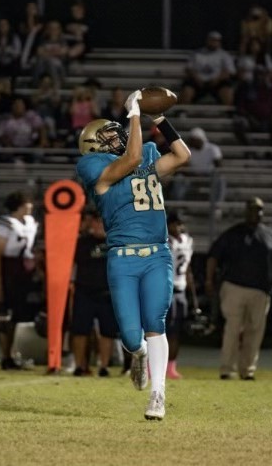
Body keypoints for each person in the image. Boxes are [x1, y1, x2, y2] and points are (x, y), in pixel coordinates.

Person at [76, 89, 191, 420]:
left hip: (157, 253)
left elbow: (182, 156)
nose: (118, 137)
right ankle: (137, 355)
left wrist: (159, 119)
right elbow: (132, 159)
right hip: (123, 257)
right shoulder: (91, 166)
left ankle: (158, 395)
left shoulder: (145, 152)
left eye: (118, 132)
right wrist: (134, 114)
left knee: (156, 322)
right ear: (94, 146)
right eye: (109, 136)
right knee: (129, 336)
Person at [205, 197, 272, 380]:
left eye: (259, 210)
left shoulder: (271, 235)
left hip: (261, 291)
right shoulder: (232, 233)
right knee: (233, 329)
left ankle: (248, 370)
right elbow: (213, 256)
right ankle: (227, 369)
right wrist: (209, 280)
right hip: (234, 287)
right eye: (252, 210)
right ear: (246, 211)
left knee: (255, 331)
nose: (256, 213)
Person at [0, 191, 39, 370]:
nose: (31, 206)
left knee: (19, 316)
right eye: (28, 202)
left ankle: (12, 354)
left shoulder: (30, 223)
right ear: (20, 204)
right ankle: (6, 356)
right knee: (5, 316)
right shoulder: (5, 223)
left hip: (25, 271)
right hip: (9, 270)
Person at [70, 207, 118, 377]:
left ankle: (104, 366)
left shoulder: (116, 242)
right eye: (97, 222)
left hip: (108, 292)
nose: (99, 225)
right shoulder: (82, 242)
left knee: (107, 331)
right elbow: (71, 265)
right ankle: (79, 365)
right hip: (84, 291)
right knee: (80, 330)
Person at [166, 212, 195, 379]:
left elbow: (188, 268)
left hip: (180, 289)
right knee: (159, 330)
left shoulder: (187, 241)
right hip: (165, 289)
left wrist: (192, 294)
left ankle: (171, 367)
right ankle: (150, 366)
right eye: (175, 224)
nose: (178, 227)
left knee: (176, 331)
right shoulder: (164, 241)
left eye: (180, 224)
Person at [179, 31, 236, 106]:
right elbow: (189, 69)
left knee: (227, 90)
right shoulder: (197, 53)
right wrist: (197, 78)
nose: (214, 42)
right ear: (207, 40)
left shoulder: (225, 55)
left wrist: (217, 79)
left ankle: (229, 113)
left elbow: (230, 71)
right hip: (198, 81)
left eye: (216, 40)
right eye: (212, 40)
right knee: (187, 89)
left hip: (216, 82)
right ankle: (182, 112)